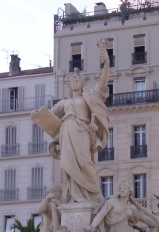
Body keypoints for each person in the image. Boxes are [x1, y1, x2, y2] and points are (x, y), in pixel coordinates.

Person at [32, 39, 111, 205]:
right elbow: (49, 115)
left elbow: (103, 84)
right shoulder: (64, 103)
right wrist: (37, 114)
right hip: (66, 133)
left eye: (77, 79)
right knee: (68, 165)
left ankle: (93, 194)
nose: (74, 81)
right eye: (71, 80)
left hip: (82, 131)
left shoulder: (88, 97)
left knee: (85, 162)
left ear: (82, 83)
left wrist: (106, 64)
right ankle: (74, 197)